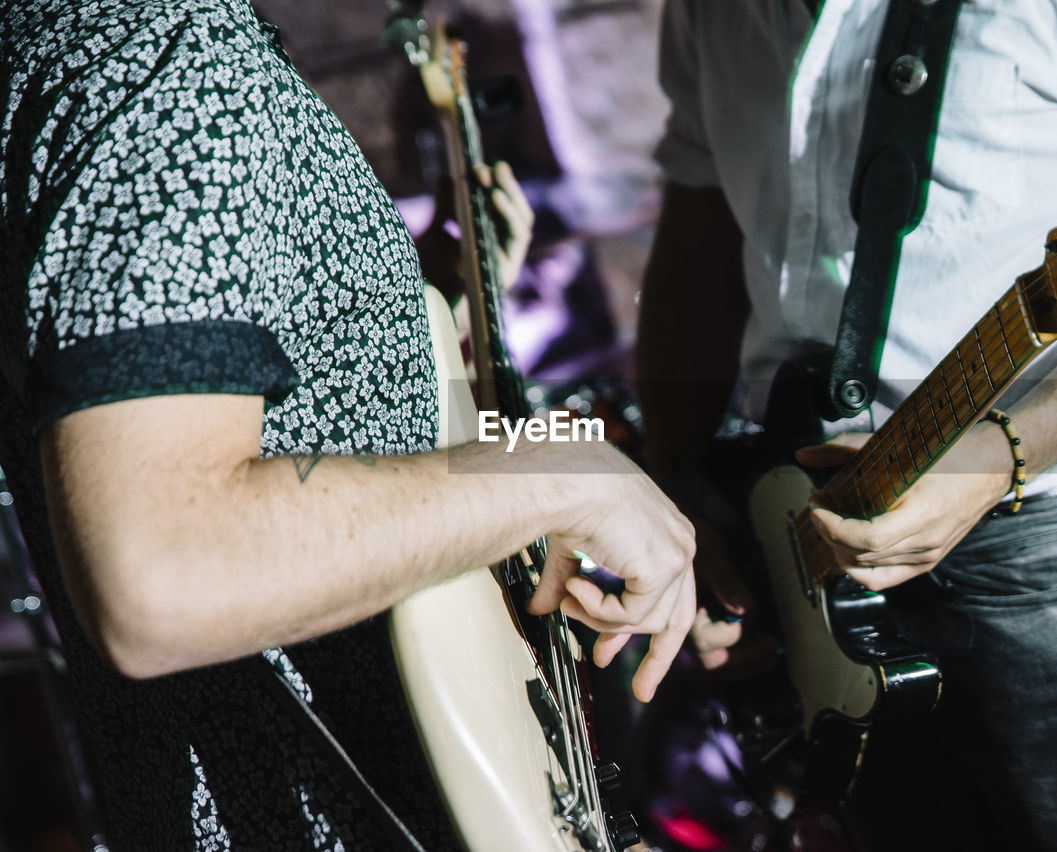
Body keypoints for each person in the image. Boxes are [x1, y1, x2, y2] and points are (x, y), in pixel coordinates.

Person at [0, 0, 697, 848]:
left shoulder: (116, 48)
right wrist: (551, 470)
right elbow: (165, 566)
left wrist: (408, 311)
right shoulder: (169, 63)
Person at [636, 0, 1057, 849]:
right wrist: (677, 502)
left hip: (1042, 532)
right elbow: (700, 246)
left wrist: (998, 453)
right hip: (799, 523)